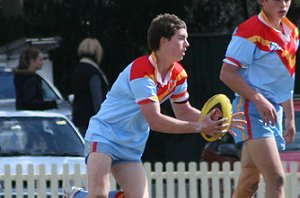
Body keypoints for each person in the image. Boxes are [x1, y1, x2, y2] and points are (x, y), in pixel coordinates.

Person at [64, 13, 246, 198]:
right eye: (182, 38)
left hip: (131, 145)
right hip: (104, 136)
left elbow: (184, 112)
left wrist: (220, 122)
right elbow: (155, 120)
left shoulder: (178, 75)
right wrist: (200, 126)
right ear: (164, 41)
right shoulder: (142, 71)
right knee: (98, 195)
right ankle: (77, 196)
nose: (187, 44)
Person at [219, 0, 298, 197]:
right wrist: (258, 99)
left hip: (273, 113)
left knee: (249, 181)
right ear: (262, 1)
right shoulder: (249, 30)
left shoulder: (292, 31)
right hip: (251, 110)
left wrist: (289, 117)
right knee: (276, 179)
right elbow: (227, 74)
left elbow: (283, 80)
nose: (284, 3)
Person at [72, 38, 110, 137]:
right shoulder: (93, 72)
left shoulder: (77, 69)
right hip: (91, 120)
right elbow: (97, 99)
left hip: (79, 118)